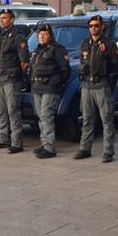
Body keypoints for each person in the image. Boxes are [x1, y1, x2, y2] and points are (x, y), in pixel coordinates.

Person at [73, 15, 118, 163]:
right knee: (87, 119)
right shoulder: (84, 43)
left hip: (102, 85)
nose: (93, 28)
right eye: (91, 26)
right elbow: (82, 62)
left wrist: (109, 82)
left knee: (106, 119)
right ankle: (85, 148)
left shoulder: (109, 44)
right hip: (87, 85)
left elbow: (116, 65)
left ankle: (108, 151)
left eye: (96, 25)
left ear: (102, 27)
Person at [30, 23, 71, 158]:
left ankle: (49, 148)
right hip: (37, 87)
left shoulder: (57, 49)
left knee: (47, 116)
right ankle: (44, 143)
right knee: (41, 117)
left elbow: (65, 70)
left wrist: (55, 82)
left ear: (50, 35)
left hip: (50, 88)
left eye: (45, 34)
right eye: (40, 35)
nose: (42, 37)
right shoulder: (37, 50)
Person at [0, 9, 30, 154]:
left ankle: (16, 142)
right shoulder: (1, 36)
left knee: (13, 110)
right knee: (1, 111)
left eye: (5, 18)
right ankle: (3, 139)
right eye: (0, 18)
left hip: (11, 79)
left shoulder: (17, 37)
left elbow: (24, 62)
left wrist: (19, 76)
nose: (2, 20)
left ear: (12, 20)